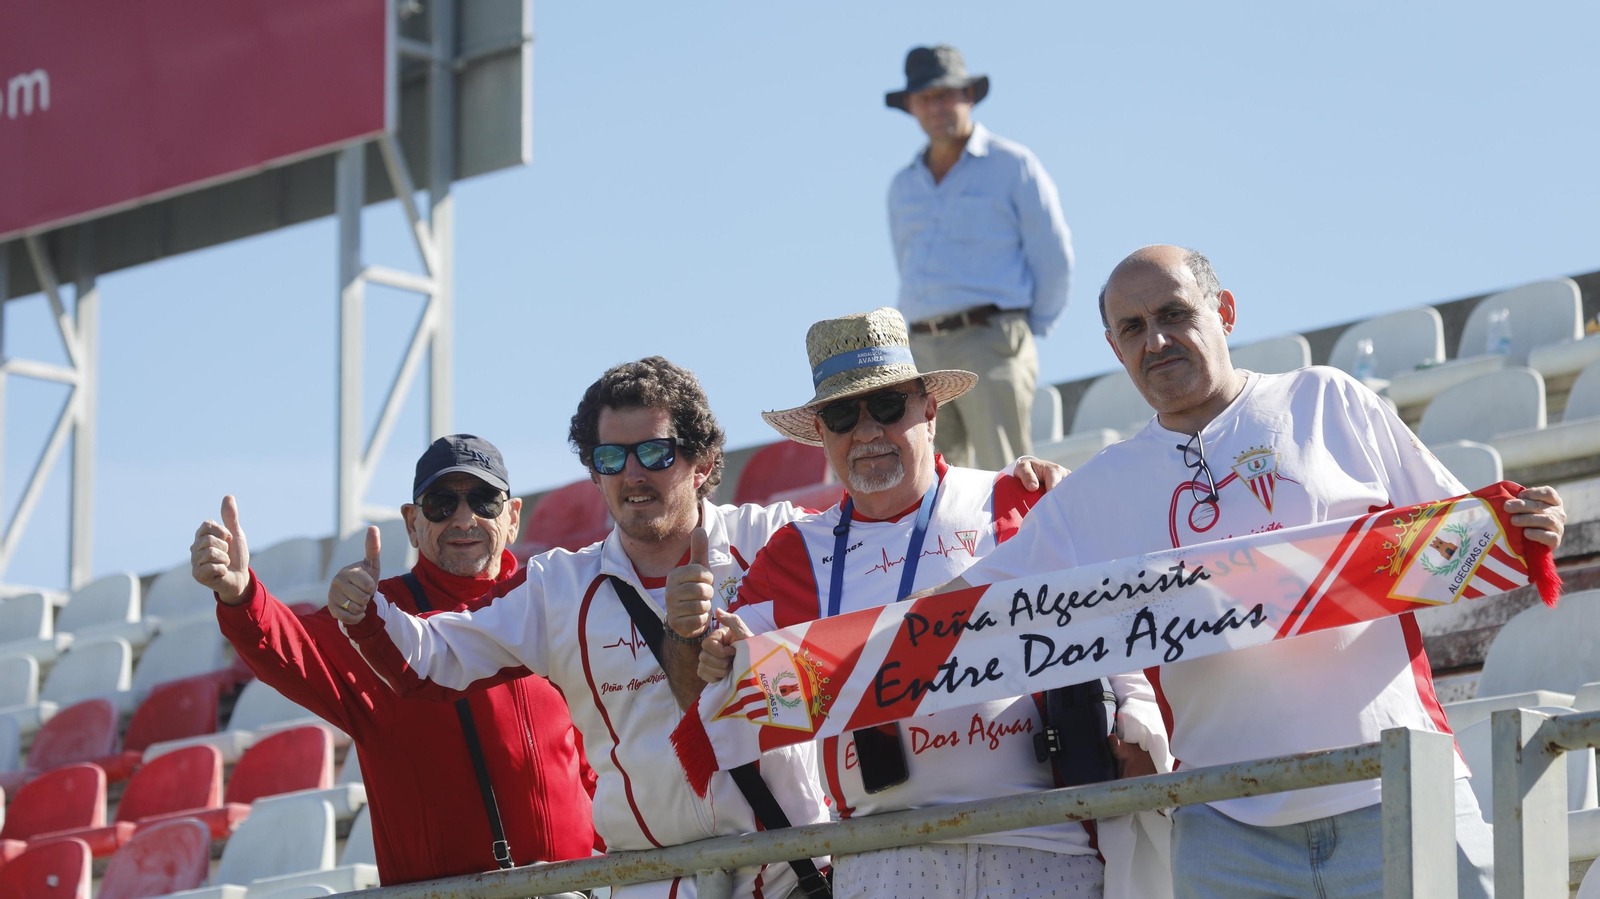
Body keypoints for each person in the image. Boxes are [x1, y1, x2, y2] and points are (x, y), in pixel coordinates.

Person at [938, 245, 1569, 899]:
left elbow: (1458, 541)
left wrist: (1526, 524)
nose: (1155, 340)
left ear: (1226, 311)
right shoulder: (1097, 491)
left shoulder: (1329, 402)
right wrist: (836, 663)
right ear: (1114, 346)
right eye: (1132, 328)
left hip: (1400, 790)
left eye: (1174, 313)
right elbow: (961, 606)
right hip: (1225, 829)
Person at [692, 308, 1170, 899]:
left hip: (1043, 841)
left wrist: (1138, 717)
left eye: (888, 408)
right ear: (822, 433)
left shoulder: (1016, 499)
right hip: (881, 857)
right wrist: (721, 653)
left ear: (930, 411)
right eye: (843, 416)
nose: (867, 432)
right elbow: (740, 672)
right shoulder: (793, 554)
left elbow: (1113, 616)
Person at [190, 435, 596, 885]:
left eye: (484, 500)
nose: (464, 519)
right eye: (442, 503)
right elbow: (291, 651)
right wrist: (241, 593)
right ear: (411, 522)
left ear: (513, 516)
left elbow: (595, 755)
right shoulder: (374, 616)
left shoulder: (549, 602)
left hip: (580, 888)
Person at [886, 44, 1074, 471]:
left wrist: (1021, 328)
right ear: (911, 107)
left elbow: (1053, 255)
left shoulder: (1013, 165)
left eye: (946, 94)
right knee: (934, 479)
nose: (936, 106)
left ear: (968, 96)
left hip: (992, 339)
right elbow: (907, 264)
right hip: (920, 349)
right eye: (925, 98)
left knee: (1009, 472)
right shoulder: (902, 187)